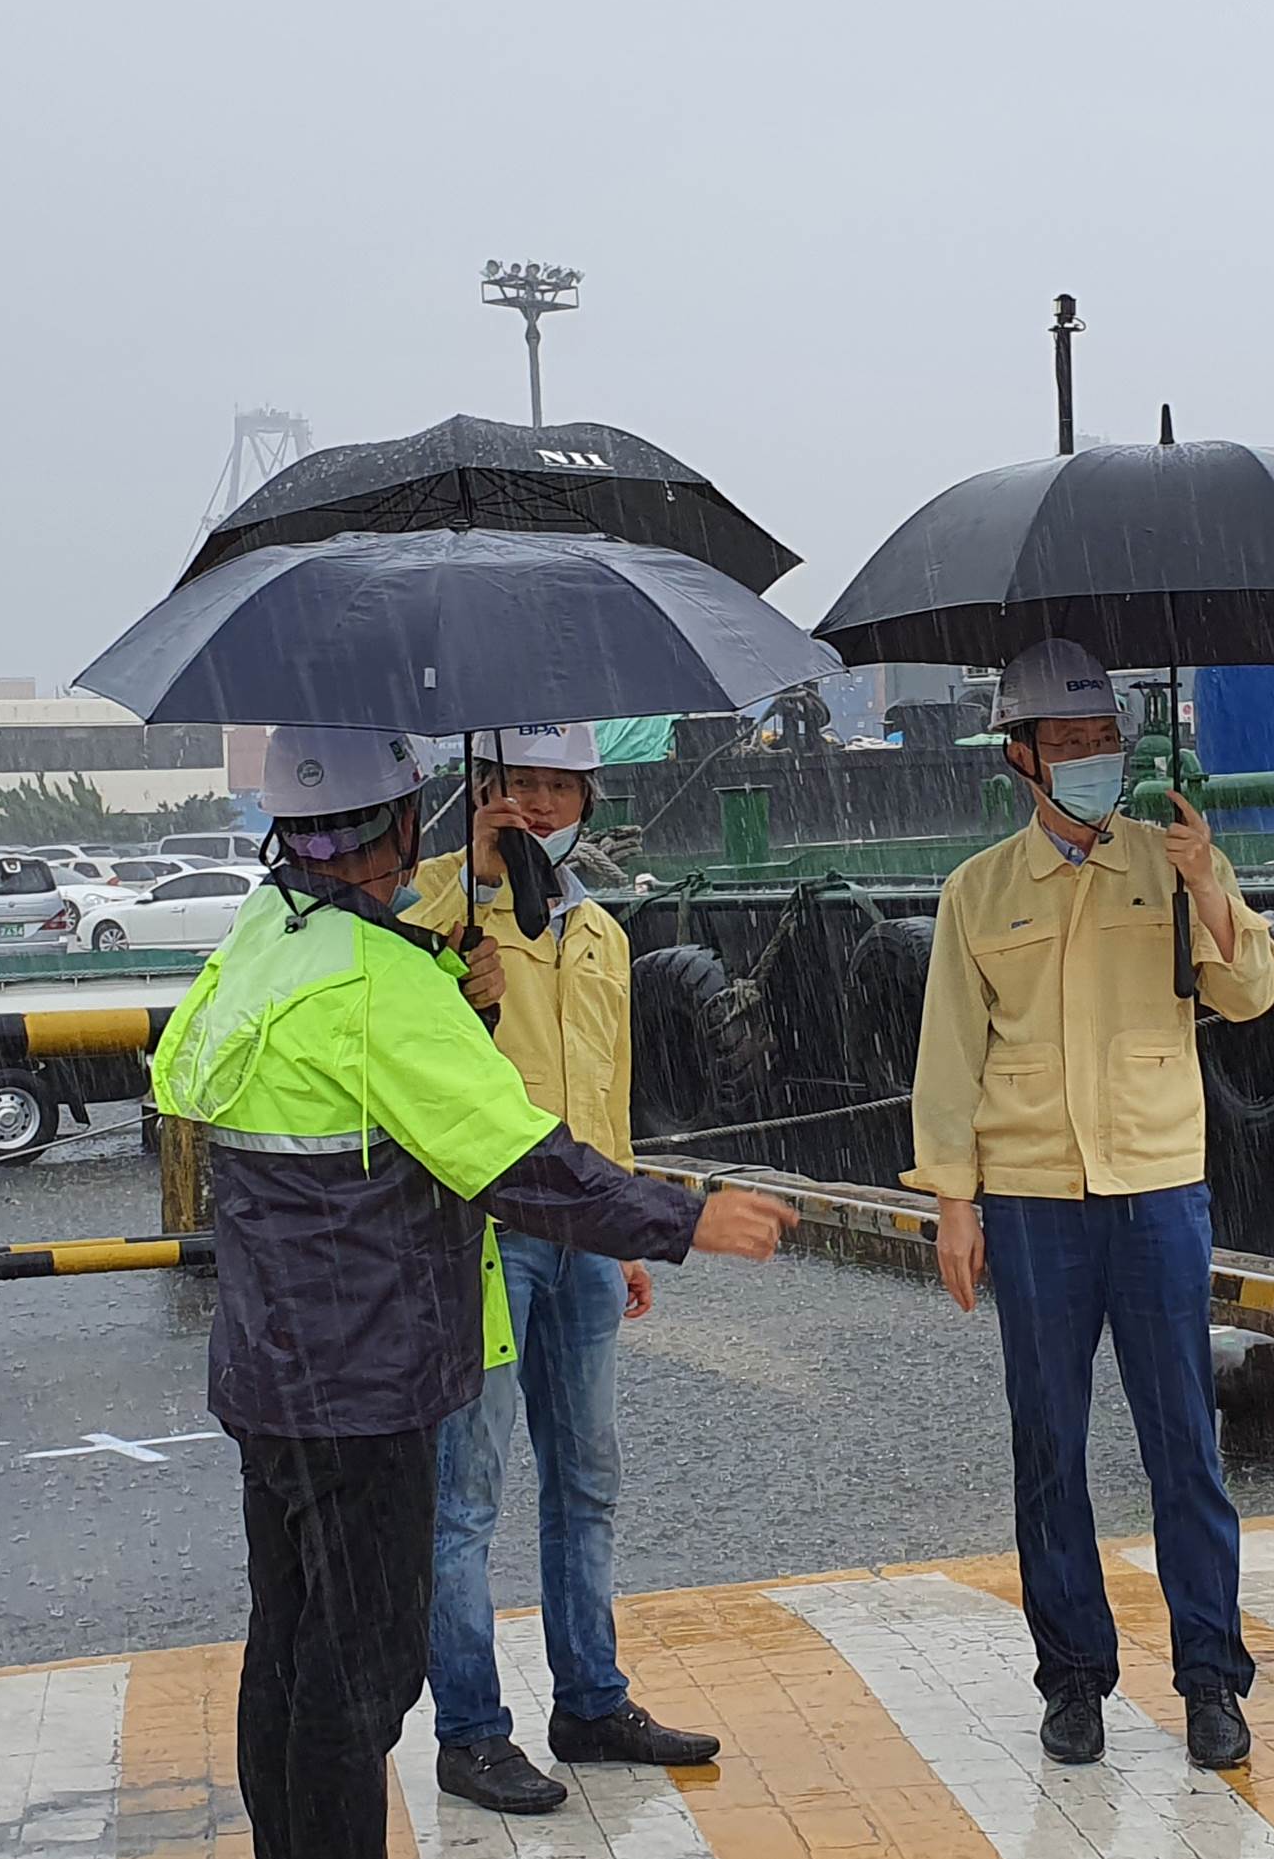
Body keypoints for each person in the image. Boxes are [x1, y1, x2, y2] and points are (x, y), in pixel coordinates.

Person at [151, 726, 796, 1859]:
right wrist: (687, 1216)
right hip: (366, 1381)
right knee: (361, 1674)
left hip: (269, 1368)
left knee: (289, 1646)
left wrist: (454, 991)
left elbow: (189, 1078)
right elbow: (519, 1159)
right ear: (405, 827)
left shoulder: (261, 940)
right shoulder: (382, 980)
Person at [912, 638, 1274, 1771]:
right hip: (1031, 1201)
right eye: (1067, 744)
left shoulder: (1167, 862)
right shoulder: (976, 892)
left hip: (1158, 1188)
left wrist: (1209, 882)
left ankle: (1213, 1680)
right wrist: (955, 1203)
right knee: (1049, 1447)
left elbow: (1253, 990)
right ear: (1019, 755)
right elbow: (949, 1058)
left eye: (1102, 741)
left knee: (1186, 1444)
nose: (1090, 762)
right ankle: (1073, 1677)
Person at [402, 724, 714, 1814]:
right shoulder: (429, 904)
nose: (535, 805)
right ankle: (471, 1731)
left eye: (554, 786)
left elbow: (607, 1087)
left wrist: (628, 1229)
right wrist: (462, 914)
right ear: (477, 793)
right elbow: (388, 1013)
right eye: (513, 784)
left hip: (584, 1229)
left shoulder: (597, 929)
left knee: (586, 1478)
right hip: (484, 1229)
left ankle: (590, 1698)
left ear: (585, 795)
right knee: (466, 1494)